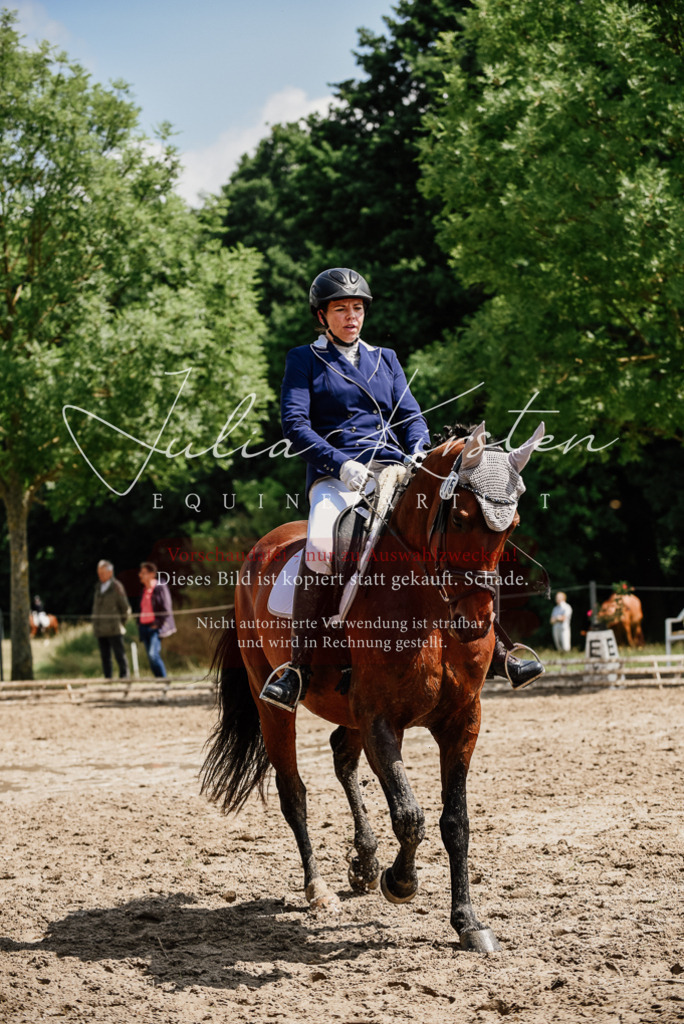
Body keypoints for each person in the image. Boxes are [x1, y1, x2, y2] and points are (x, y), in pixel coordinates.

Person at [259, 267, 542, 711]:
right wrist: (341, 464)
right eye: (340, 309)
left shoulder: (384, 358)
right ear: (322, 315)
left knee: (457, 533)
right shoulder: (304, 359)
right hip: (339, 476)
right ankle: (297, 666)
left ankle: (501, 649)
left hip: (397, 470)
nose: (351, 316)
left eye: (357, 308)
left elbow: (411, 415)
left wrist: (416, 452)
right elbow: (295, 426)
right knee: (319, 544)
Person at [92, 560, 131, 679]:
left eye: (103, 573)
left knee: (120, 654)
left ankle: (125, 677)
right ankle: (107, 678)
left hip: (114, 628)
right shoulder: (98, 587)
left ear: (110, 572)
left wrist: (120, 622)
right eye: (99, 573)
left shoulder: (116, 586)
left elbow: (125, 607)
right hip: (101, 629)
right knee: (105, 656)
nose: (101, 576)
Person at [138, 562, 176, 678]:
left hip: (155, 628)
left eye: (143, 573)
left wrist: (158, 624)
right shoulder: (143, 591)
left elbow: (166, 608)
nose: (140, 575)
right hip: (144, 627)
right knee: (150, 658)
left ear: (152, 574)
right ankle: (159, 681)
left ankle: (164, 681)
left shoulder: (160, 588)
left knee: (153, 655)